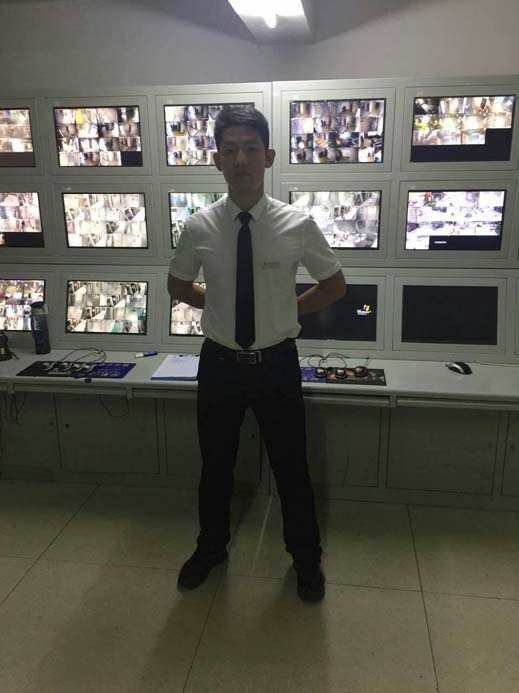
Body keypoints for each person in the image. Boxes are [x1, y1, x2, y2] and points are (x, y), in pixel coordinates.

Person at [167, 107, 346, 603]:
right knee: (215, 466)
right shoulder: (199, 226)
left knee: (292, 468)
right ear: (217, 160)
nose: (240, 159)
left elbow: (334, 285)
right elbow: (177, 285)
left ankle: (305, 559)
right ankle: (210, 548)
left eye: (250, 149)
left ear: (268, 156)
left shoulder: (297, 224)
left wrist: (285, 308)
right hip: (219, 364)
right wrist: (219, 304)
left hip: (276, 364)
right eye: (229, 150)